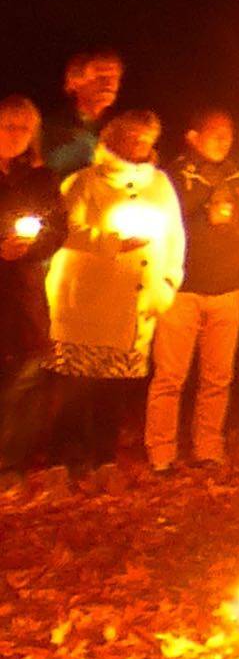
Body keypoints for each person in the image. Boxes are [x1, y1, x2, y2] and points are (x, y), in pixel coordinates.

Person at [45, 110, 182, 473]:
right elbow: (63, 230)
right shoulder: (84, 181)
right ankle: (67, 458)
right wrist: (112, 242)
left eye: (146, 139)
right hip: (85, 302)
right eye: (132, 137)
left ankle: (105, 455)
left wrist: (168, 283)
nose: (139, 145)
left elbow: (175, 237)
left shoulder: (159, 184)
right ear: (111, 140)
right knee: (77, 385)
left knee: (115, 388)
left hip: (134, 303)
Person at [149, 111, 239, 474]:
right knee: (170, 375)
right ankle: (162, 450)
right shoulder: (173, 177)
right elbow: (167, 220)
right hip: (183, 289)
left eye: (229, 134)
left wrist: (236, 225)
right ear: (193, 136)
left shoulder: (238, 176)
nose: (224, 141)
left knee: (218, 376)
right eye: (215, 133)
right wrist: (205, 204)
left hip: (226, 288)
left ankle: (208, 445)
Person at [1, 98, 64, 465]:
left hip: (24, 292)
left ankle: (9, 460)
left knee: (23, 376)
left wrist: (28, 247)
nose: (15, 135)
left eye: (23, 128)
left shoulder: (42, 179)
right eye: (8, 125)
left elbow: (57, 229)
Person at [43, 51, 123, 176]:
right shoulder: (52, 128)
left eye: (114, 78)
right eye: (100, 77)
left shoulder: (124, 128)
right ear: (74, 82)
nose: (109, 84)